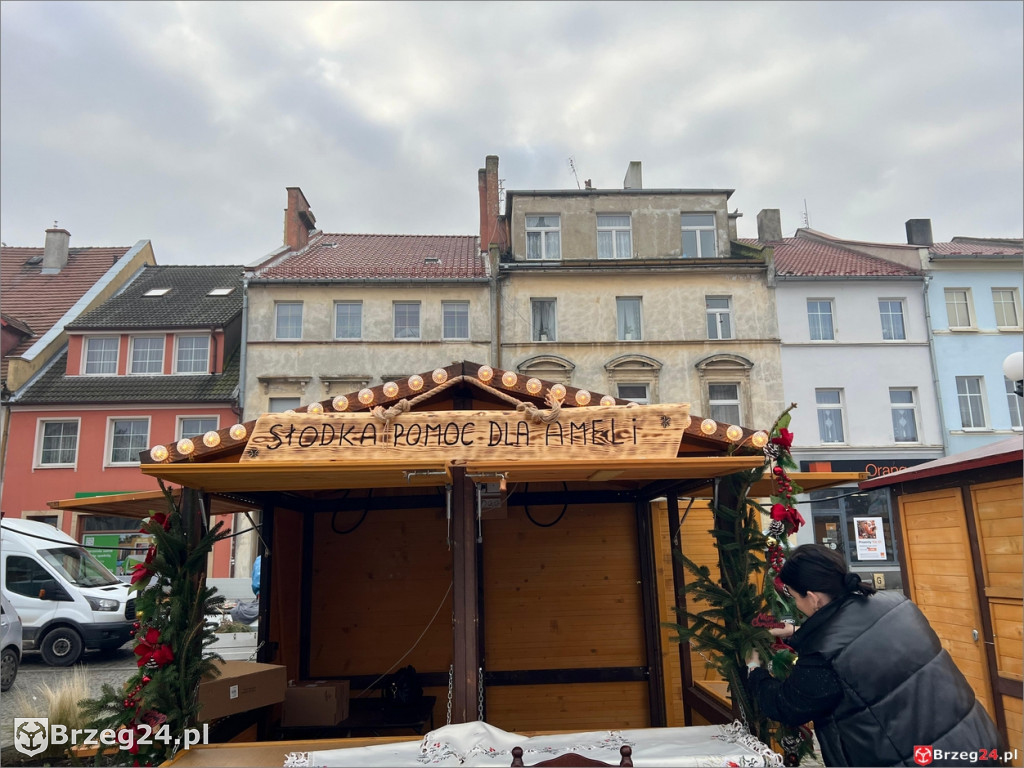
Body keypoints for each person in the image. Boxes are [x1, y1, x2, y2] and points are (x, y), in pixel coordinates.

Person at [745, 544, 1001, 767]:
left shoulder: (822, 656)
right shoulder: (897, 605)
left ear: (813, 597)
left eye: (791, 594)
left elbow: (787, 705)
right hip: (976, 743)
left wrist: (755, 669)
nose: (793, 602)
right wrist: (795, 631)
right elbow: (857, 643)